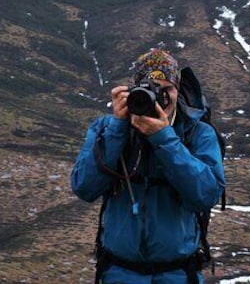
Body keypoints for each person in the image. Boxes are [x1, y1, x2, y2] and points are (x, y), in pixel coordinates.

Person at [71, 48, 226, 284]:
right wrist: (118, 129)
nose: (159, 97)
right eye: (150, 88)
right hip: (118, 273)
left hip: (178, 274)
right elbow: (84, 187)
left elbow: (205, 196)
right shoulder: (107, 128)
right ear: (133, 91)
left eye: (167, 89)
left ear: (178, 90)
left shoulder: (198, 133)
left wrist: (164, 138)